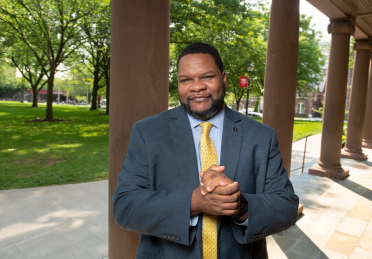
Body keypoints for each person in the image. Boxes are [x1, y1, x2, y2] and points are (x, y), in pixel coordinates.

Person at [112, 42, 299, 259]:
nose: (197, 86)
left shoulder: (262, 136)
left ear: (224, 78)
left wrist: (240, 205)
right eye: (186, 80)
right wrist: (194, 202)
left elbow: (286, 207)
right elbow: (125, 206)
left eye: (207, 77)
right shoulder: (147, 132)